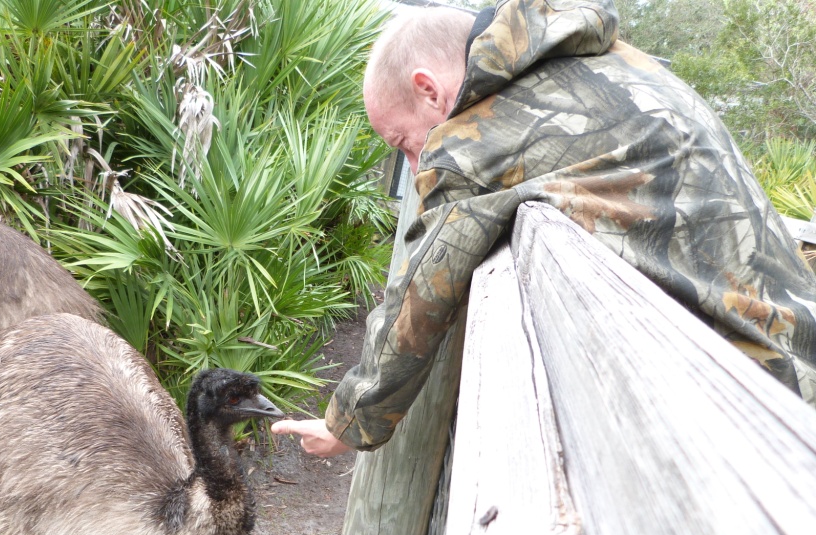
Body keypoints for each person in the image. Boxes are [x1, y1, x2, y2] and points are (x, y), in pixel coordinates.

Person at [271, 0, 816, 457]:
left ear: (429, 90)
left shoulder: (471, 141)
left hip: (755, 394)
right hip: (800, 347)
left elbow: (421, 289)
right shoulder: (618, 64)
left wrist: (347, 423)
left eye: (403, 144)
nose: (415, 167)